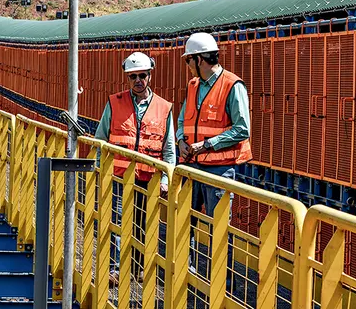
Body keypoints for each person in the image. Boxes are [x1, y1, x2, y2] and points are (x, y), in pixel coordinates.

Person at [95, 51, 175, 285]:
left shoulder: (164, 107)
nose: (138, 81)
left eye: (142, 76)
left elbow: (169, 150)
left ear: (150, 76)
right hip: (119, 177)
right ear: (127, 78)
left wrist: (165, 180)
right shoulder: (114, 102)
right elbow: (100, 140)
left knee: (143, 225)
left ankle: (138, 268)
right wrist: (101, 171)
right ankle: (115, 269)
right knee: (117, 223)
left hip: (148, 180)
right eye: (133, 77)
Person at [177, 32, 252, 217]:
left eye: (188, 60)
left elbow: (242, 129)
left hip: (219, 170)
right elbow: (181, 120)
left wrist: (208, 144)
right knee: (184, 226)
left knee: (217, 230)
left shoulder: (232, 85)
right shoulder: (193, 85)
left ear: (199, 59)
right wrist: (180, 140)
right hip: (190, 165)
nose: (187, 66)